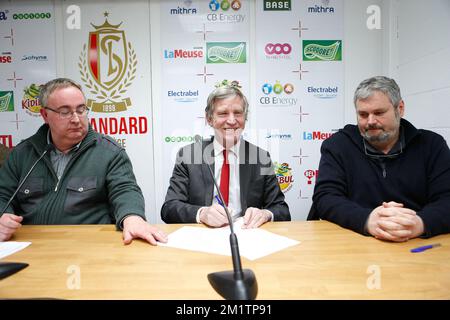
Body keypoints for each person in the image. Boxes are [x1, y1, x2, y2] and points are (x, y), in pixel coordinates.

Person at [0, 78, 167, 245]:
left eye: (81, 110)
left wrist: (132, 217)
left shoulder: (109, 152)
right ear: (45, 115)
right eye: (65, 112)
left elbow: (125, 190)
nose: (76, 119)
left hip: (89, 246)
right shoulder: (22, 153)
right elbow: (3, 194)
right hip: (32, 246)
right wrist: (3, 215)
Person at [309, 76, 450, 241]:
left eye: (379, 113)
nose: (370, 121)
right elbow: (325, 198)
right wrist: (367, 220)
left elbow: (447, 198)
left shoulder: (432, 145)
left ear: (400, 108)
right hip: (356, 241)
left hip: (415, 243)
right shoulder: (337, 145)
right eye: (363, 114)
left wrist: (418, 223)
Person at [161, 80, 290, 228]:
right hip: (203, 237)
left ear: (245, 118)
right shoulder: (188, 156)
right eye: (223, 113)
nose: (231, 120)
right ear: (209, 119)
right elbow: (169, 209)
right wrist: (202, 213)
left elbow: (282, 210)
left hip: (247, 238)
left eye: (238, 113)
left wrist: (265, 214)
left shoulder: (261, 158)